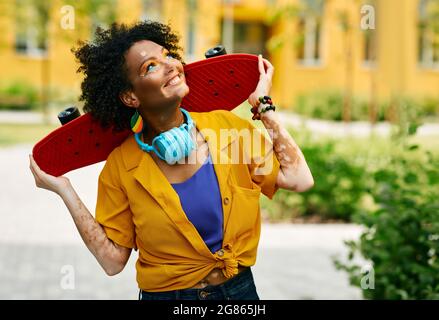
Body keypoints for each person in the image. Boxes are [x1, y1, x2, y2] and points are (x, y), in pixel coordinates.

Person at [29, 21, 314, 300]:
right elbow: (112, 261)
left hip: (237, 293)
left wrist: (264, 106)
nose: (170, 65)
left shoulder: (227, 131)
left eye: (168, 55)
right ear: (130, 96)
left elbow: (298, 179)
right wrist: (65, 190)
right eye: (149, 66)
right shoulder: (121, 166)